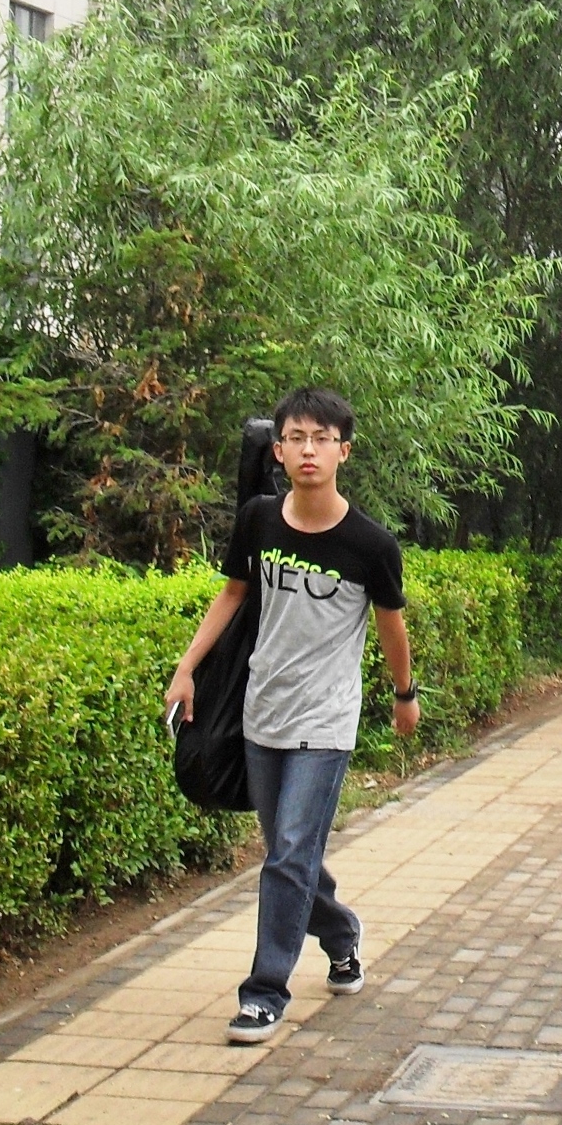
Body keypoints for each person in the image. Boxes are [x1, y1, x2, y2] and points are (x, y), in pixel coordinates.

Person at [166, 388, 422, 1044]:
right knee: (290, 853)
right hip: (263, 712)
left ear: (343, 451)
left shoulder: (370, 543)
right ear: (277, 449)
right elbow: (232, 594)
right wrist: (187, 667)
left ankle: (263, 992)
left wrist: (404, 693)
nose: (309, 450)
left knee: (285, 856)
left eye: (322, 438)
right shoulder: (259, 520)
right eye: (297, 438)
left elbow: (392, 627)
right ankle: (342, 933)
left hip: (325, 721)